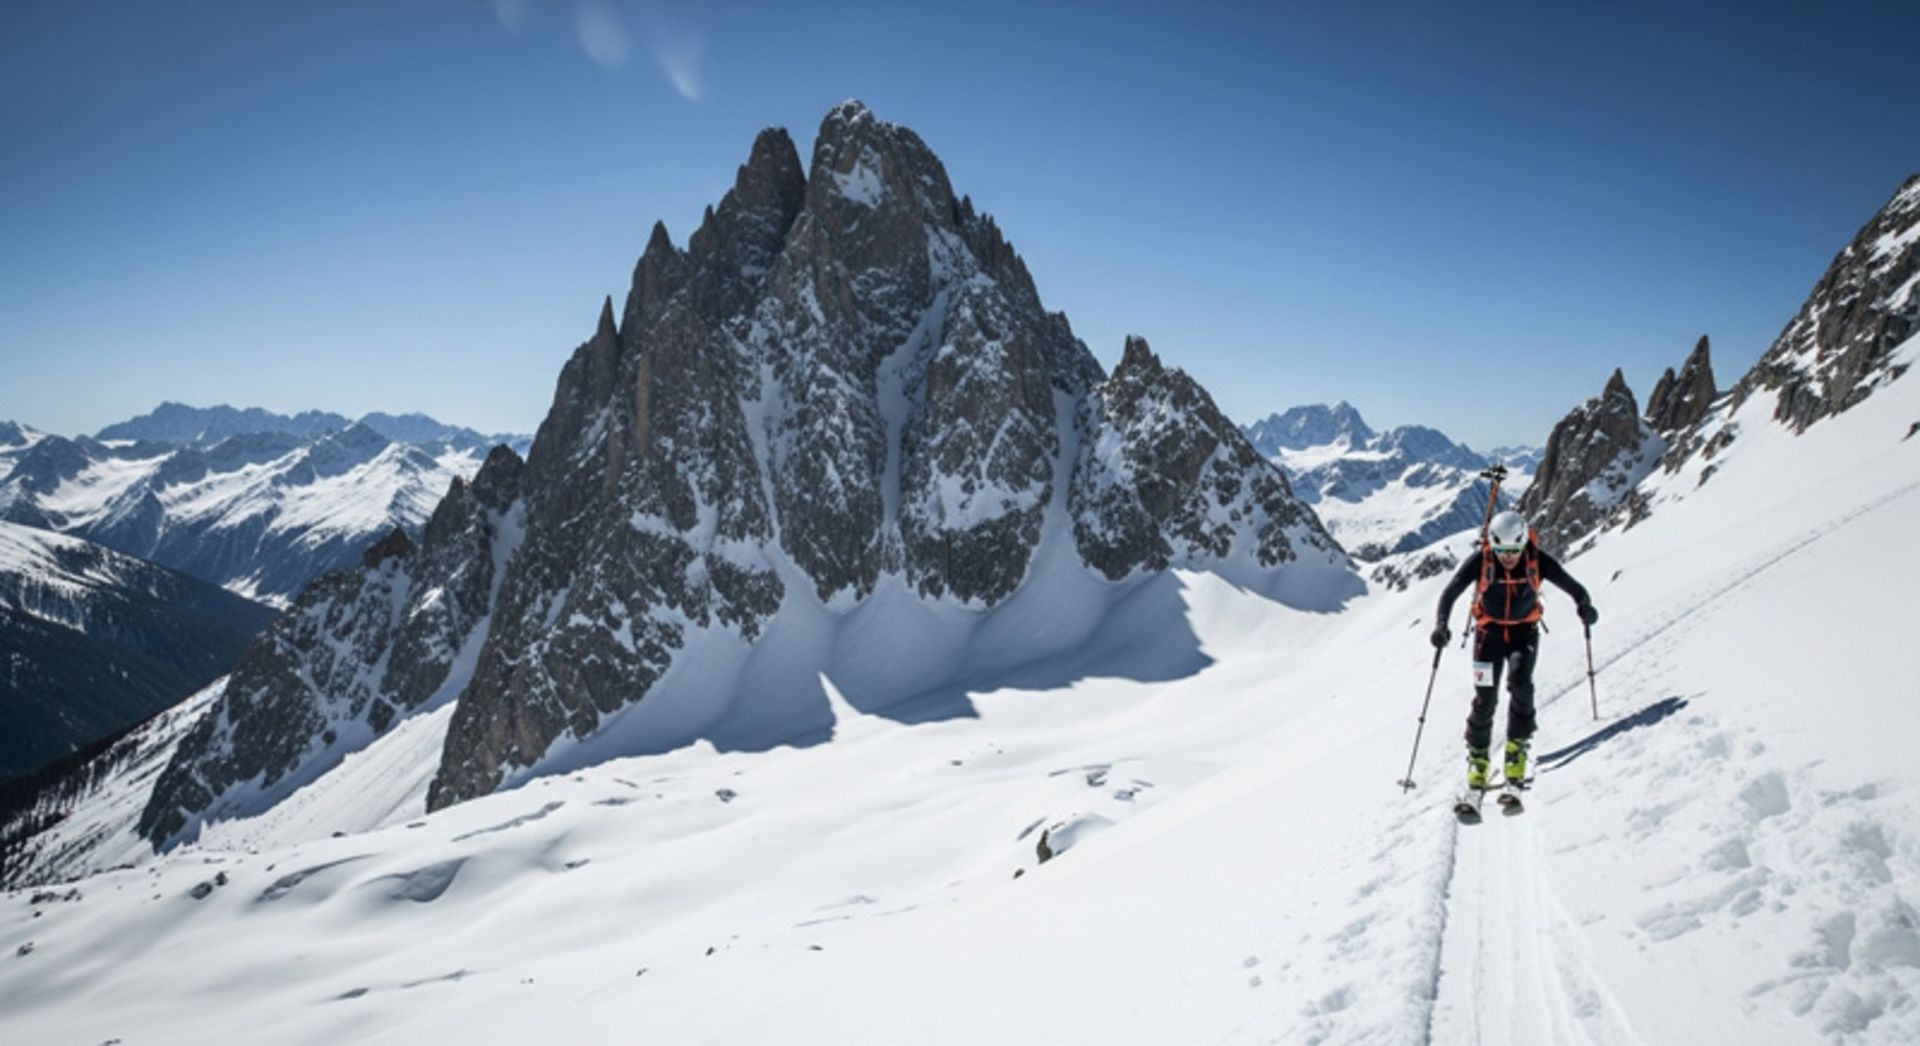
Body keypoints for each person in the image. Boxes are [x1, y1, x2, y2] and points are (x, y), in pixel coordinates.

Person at [1430, 510, 1596, 790]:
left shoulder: (1537, 561)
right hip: (1487, 635)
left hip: (1523, 633)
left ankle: (1517, 748)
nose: (1508, 557)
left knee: (1520, 684)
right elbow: (1450, 592)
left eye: (1514, 550)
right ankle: (1478, 756)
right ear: (1492, 545)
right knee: (1485, 697)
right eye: (1502, 550)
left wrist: (1584, 606)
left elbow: (1575, 588)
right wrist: (1441, 625)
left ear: (1523, 543)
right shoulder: (1482, 561)